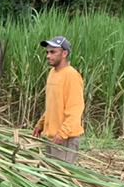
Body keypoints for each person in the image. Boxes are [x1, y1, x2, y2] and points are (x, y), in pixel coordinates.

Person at [32, 35, 85, 165]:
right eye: (47, 52)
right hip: (51, 137)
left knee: (61, 178)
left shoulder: (71, 75)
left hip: (64, 139)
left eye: (53, 52)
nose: (48, 56)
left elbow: (75, 109)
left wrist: (62, 134)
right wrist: (41, 124)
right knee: (49, 178)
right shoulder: (52, 74)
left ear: (64, 53)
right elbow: (52, 105)